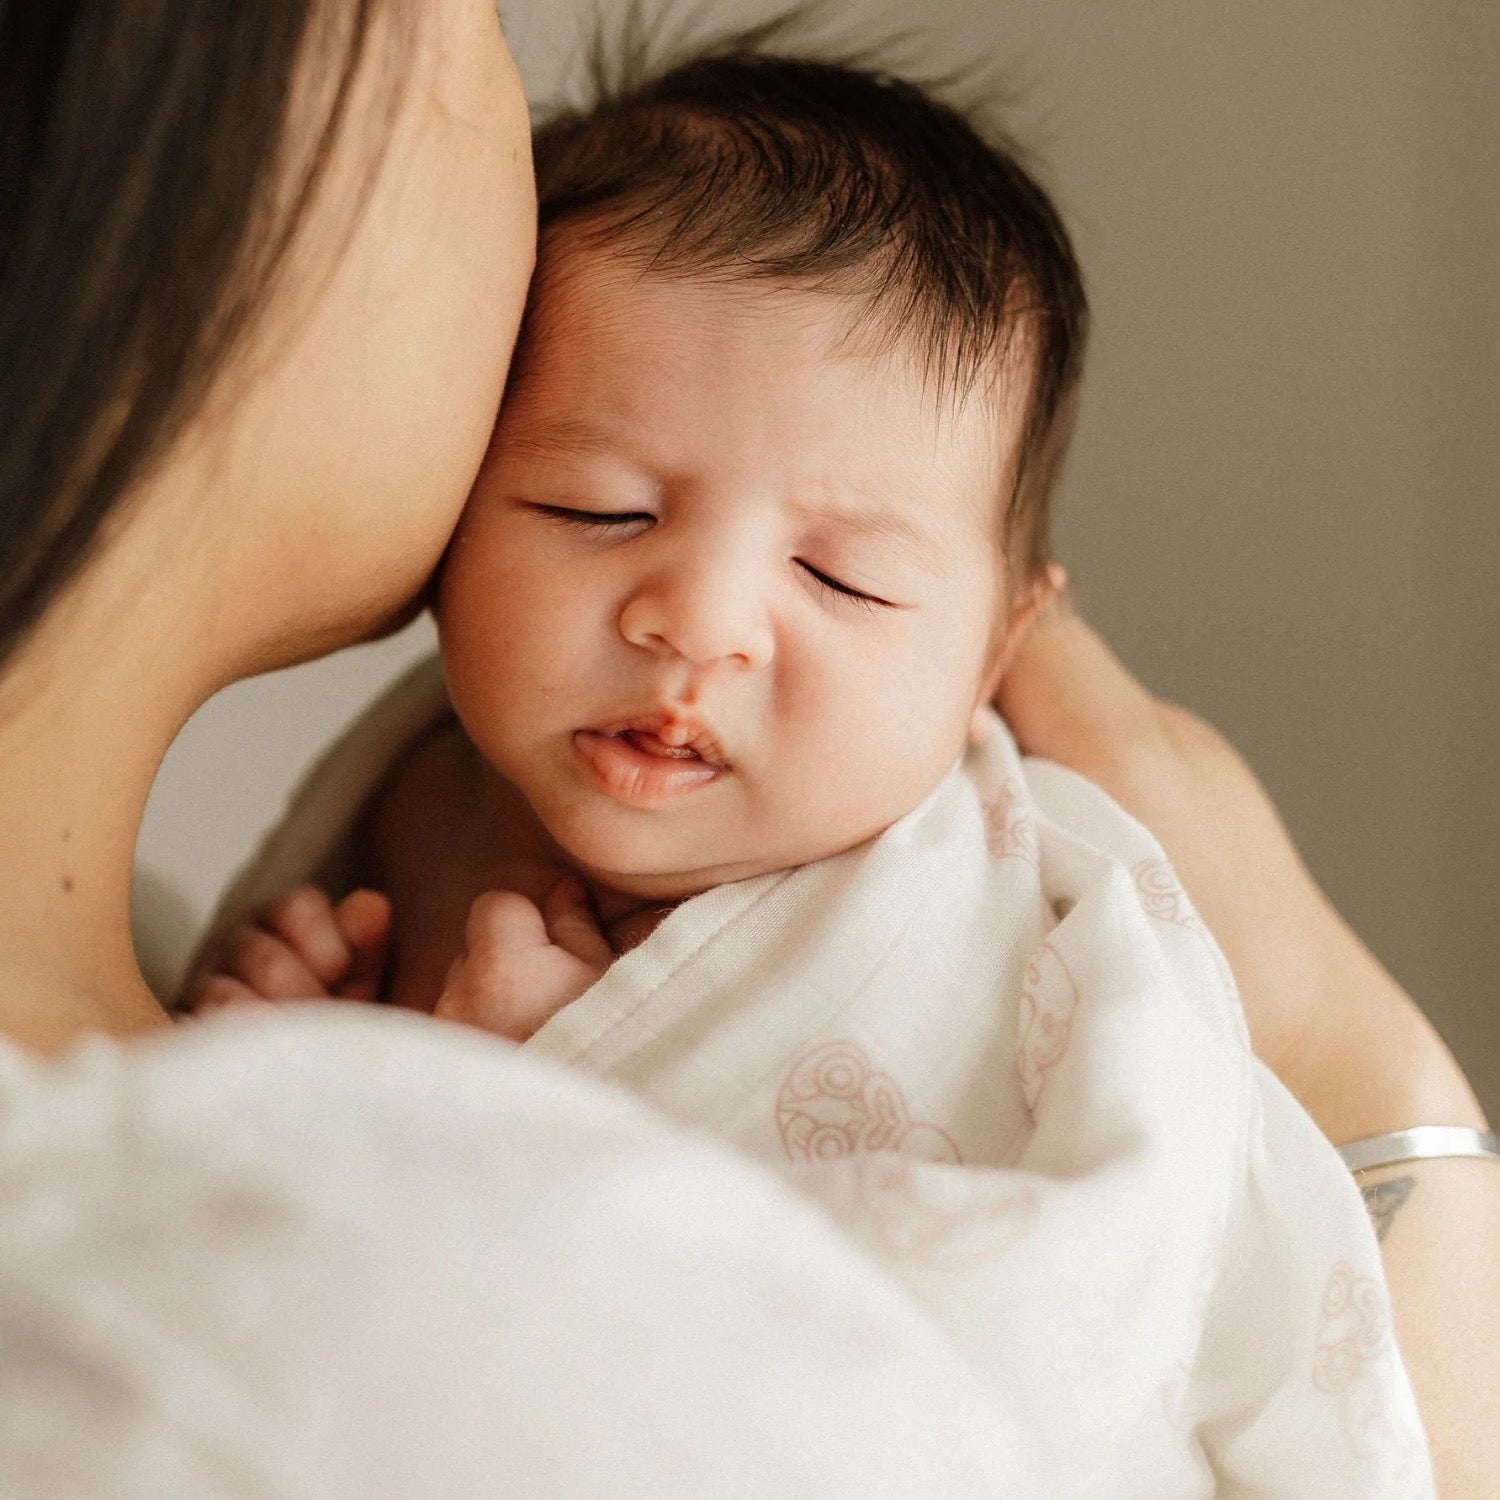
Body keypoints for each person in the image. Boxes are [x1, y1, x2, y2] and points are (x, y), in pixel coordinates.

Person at [0, 2, 1493, 1497]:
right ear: (140, 181)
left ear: (994, 651)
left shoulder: (999, 928)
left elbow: (1068, 1310)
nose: (696, 626)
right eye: (597, 509)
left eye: (843, 583)